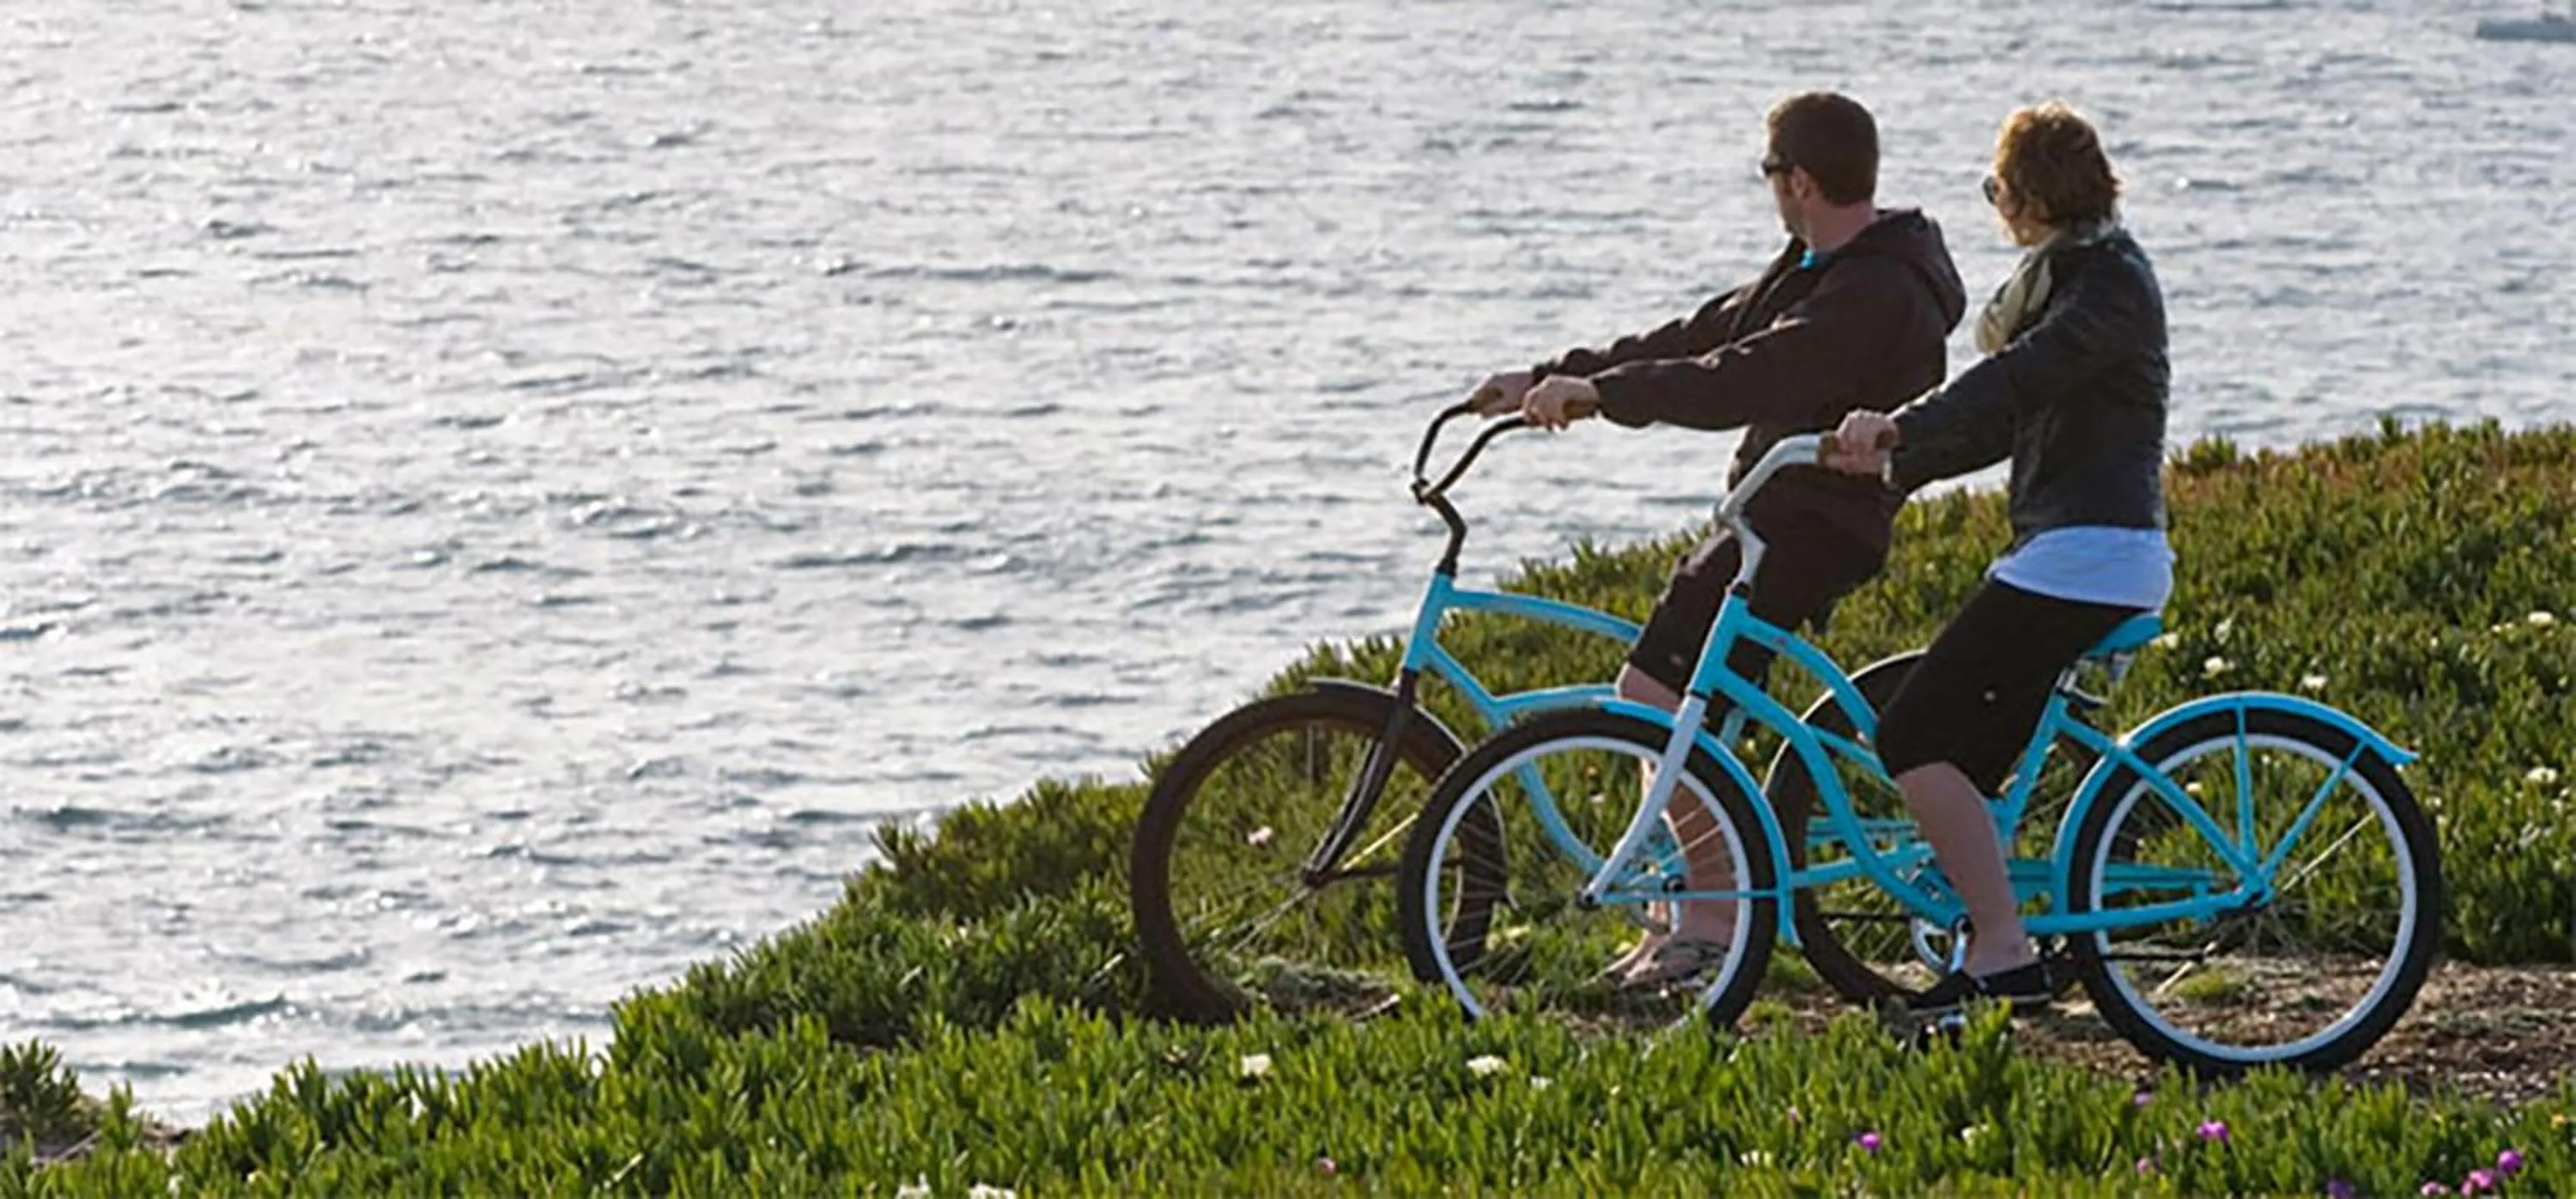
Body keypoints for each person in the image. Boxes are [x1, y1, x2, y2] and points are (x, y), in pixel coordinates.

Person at [1468, 90, 1967, 988]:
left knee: (1656, 696)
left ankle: (1711, 915)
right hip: (1774, 516)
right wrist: (1556, 375)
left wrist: (1602, 398)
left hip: (1807, 523)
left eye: (1772, 174)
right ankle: (1685, 912)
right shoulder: (1824, 263)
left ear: (1801, 178)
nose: (1770, 189)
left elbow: (1738, 376)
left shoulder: (1871, 290)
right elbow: (1705, 333)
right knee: (1682, 705)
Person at [1820, 100, 2173, 1012]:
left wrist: (1902, 424)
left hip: (2086, 557)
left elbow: (2019, 379)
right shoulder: (2074, 276)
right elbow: (2014, 417)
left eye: (1997, 189)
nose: (1996, 205)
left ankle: (2005, 951)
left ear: (2030, 195)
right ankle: (1993, 941)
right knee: (1960, 765)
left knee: (1908, 737)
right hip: (2072, 552)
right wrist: (1895, 468)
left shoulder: (2108, 289)